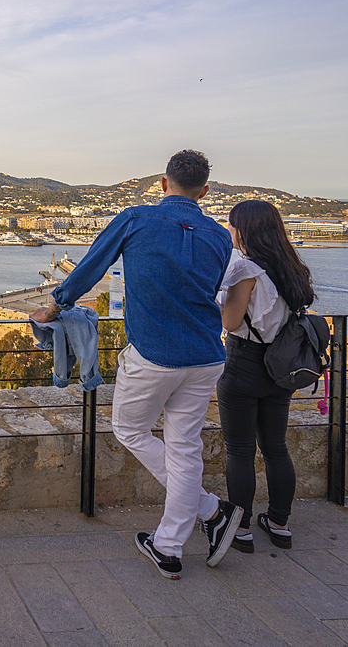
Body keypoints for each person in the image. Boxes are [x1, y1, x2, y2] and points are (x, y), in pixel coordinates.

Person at [31, 149, 243, 579]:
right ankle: (176, 538)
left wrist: (55, 307)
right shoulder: (220, 238)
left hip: (155, 353)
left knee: (129, 429)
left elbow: (91, 265)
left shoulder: (136, 218)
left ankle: (208, 512)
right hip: (207, 355)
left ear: (163, 184)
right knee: (185, 447)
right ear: (205, 191)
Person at [217, 199, 314, 552]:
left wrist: (214, 301)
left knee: (240, 451)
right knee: (275, 447)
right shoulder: (291, 267)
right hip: (280, 366)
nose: (229, 230)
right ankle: (279, 523)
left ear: (245, 230)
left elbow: (231, 321)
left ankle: (240, 529)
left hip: (244, 364)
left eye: (232, 224)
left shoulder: (246, 271)